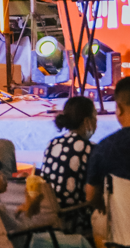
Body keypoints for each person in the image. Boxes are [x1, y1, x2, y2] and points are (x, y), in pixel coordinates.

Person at [42, 95, 98, 237]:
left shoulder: (52, 144)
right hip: (76, 218)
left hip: (51, 218)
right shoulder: (90, 149)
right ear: (87, 122)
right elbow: (94, 194)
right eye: (95, 117)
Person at [86, 78, 130, 223]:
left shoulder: (103, 148)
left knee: (99, 219)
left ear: (119, 109)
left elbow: (92, 197)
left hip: (121, 239)